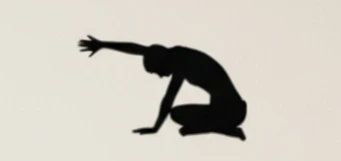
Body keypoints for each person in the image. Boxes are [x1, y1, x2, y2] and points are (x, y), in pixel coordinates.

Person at [78, 35, 246, 139]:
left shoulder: (181, 63)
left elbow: (168, 98)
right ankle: (223, 128)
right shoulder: (171, 54)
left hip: (232, 112)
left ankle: (227, 130)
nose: (160, 76)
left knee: (182, 125)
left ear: (161, 63)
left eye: (157, 71)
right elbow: (136, 48)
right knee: (178, 115)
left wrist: (155, 128)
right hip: (226, 109)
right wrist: (103, 44)